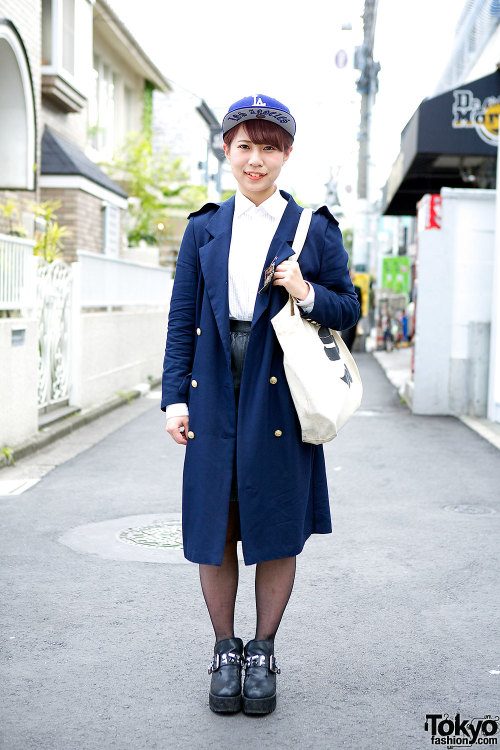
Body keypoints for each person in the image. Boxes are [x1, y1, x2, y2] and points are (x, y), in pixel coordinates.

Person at [161, 94, 360, 715]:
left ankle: (264, 650)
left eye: (268, 147)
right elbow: (183, 317)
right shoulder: (204, 227)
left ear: (286, 154)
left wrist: (305, 290)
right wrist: (173, 398)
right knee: (215, 527)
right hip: (215, 387)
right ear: (227, 150)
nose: (255, 159)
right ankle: (225, 649)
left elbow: (348, 310)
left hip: (280, 391)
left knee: (274, 527)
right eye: (244, 146)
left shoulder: (314, 229)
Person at [341, 269, 362, 352]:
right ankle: (344, 353)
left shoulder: (357, 289)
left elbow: (360, 304)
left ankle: (348, 353)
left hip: (354, 317)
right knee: (345, 336)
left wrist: (359, 316)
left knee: (352, 336)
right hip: (344, 316)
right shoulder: (341, 287)